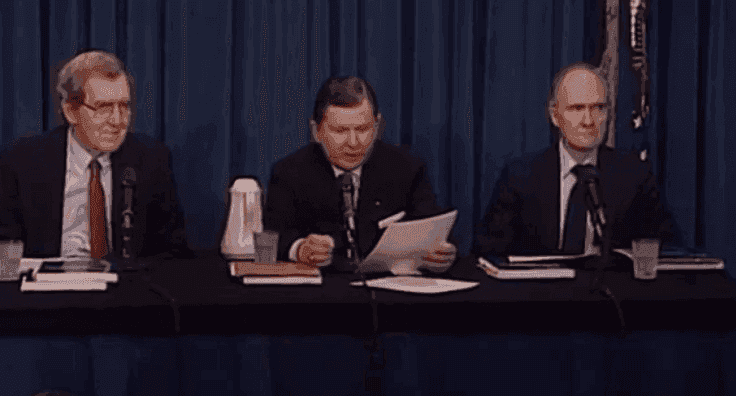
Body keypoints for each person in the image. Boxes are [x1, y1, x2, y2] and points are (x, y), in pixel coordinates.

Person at [0, 50, 187, 395]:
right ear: (71, 110)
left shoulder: (150, 160)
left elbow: (172, 249)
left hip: (120, 306)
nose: (118, 121)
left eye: (125, 106)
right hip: (43, 306)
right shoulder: (23, 160)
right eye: (103, 107)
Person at [477, 62, 676, 257]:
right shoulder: (521, 176)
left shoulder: (634, 174)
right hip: (540, 289)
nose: (588, 121)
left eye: (598, 108)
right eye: (577, 108)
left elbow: (666, 247)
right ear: (555, 116)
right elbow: (489, 252)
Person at [265, 75, 456, 273]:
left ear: (376, 125)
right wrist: (300, 249)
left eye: (363, 129)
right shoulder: (290, 172)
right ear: (316, 131)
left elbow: (432, 228)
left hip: (389, 292)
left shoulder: (406, 167)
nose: (353, 142)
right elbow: (273, 235)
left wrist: (440, 254)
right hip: (323, 292)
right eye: (340, 131)